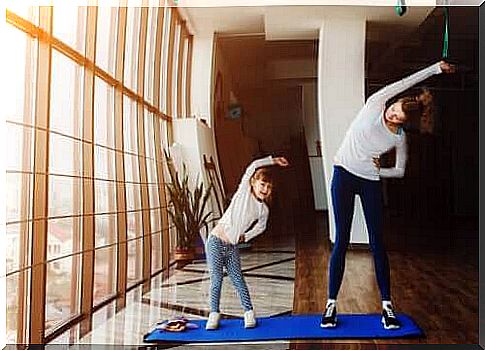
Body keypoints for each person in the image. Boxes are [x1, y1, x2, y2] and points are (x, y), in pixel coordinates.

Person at [321, 60, 456, 330]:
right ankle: (331, 304)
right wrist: (435, 69)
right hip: (343, 175)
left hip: (369, 181)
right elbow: (408, 80)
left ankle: (387, 306)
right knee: (341, 240)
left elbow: (400, 171)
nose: (391, 115)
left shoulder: (398, 138)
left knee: (377, 243)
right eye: (393, 110)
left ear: (406, 124)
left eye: (398, 118)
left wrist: (380, 171)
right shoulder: (376, 103)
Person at [205, 155, 290, 330]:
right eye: (262, 184)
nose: (265, 189)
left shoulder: (263, 209)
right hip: (215, 241)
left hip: (232, 246)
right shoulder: (243, 193)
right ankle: (214, 313)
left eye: (269, 187)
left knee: (238, 279)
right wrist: (274, 161)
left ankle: (249, 312)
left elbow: (262, 227)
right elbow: (253, 165)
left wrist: (247, 236)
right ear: (253, 182)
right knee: (216, 280)